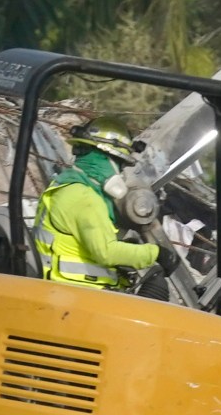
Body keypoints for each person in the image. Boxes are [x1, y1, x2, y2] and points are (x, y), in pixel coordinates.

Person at [33, 119, 171, 289]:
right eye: (120, 165)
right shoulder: (84, 197)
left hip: (65, 289)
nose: (121, 173)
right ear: (106, 159)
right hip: (75, 295)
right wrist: (156, 254)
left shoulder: (68, 186)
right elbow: (106, 252)